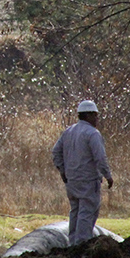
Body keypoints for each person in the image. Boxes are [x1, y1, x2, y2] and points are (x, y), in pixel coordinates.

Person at [51, 99, 114, 244]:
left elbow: (56, 152)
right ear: (89, 115)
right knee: (87, 213)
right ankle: (82, 246)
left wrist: (63, 171)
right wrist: (108, 176)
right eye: (95, 116)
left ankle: (72, 245)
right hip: (88, 181)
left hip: (72, 181)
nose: (97, 119)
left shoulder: (69, 132)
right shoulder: (92, 134)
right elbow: (100, 157)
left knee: (75, 212)